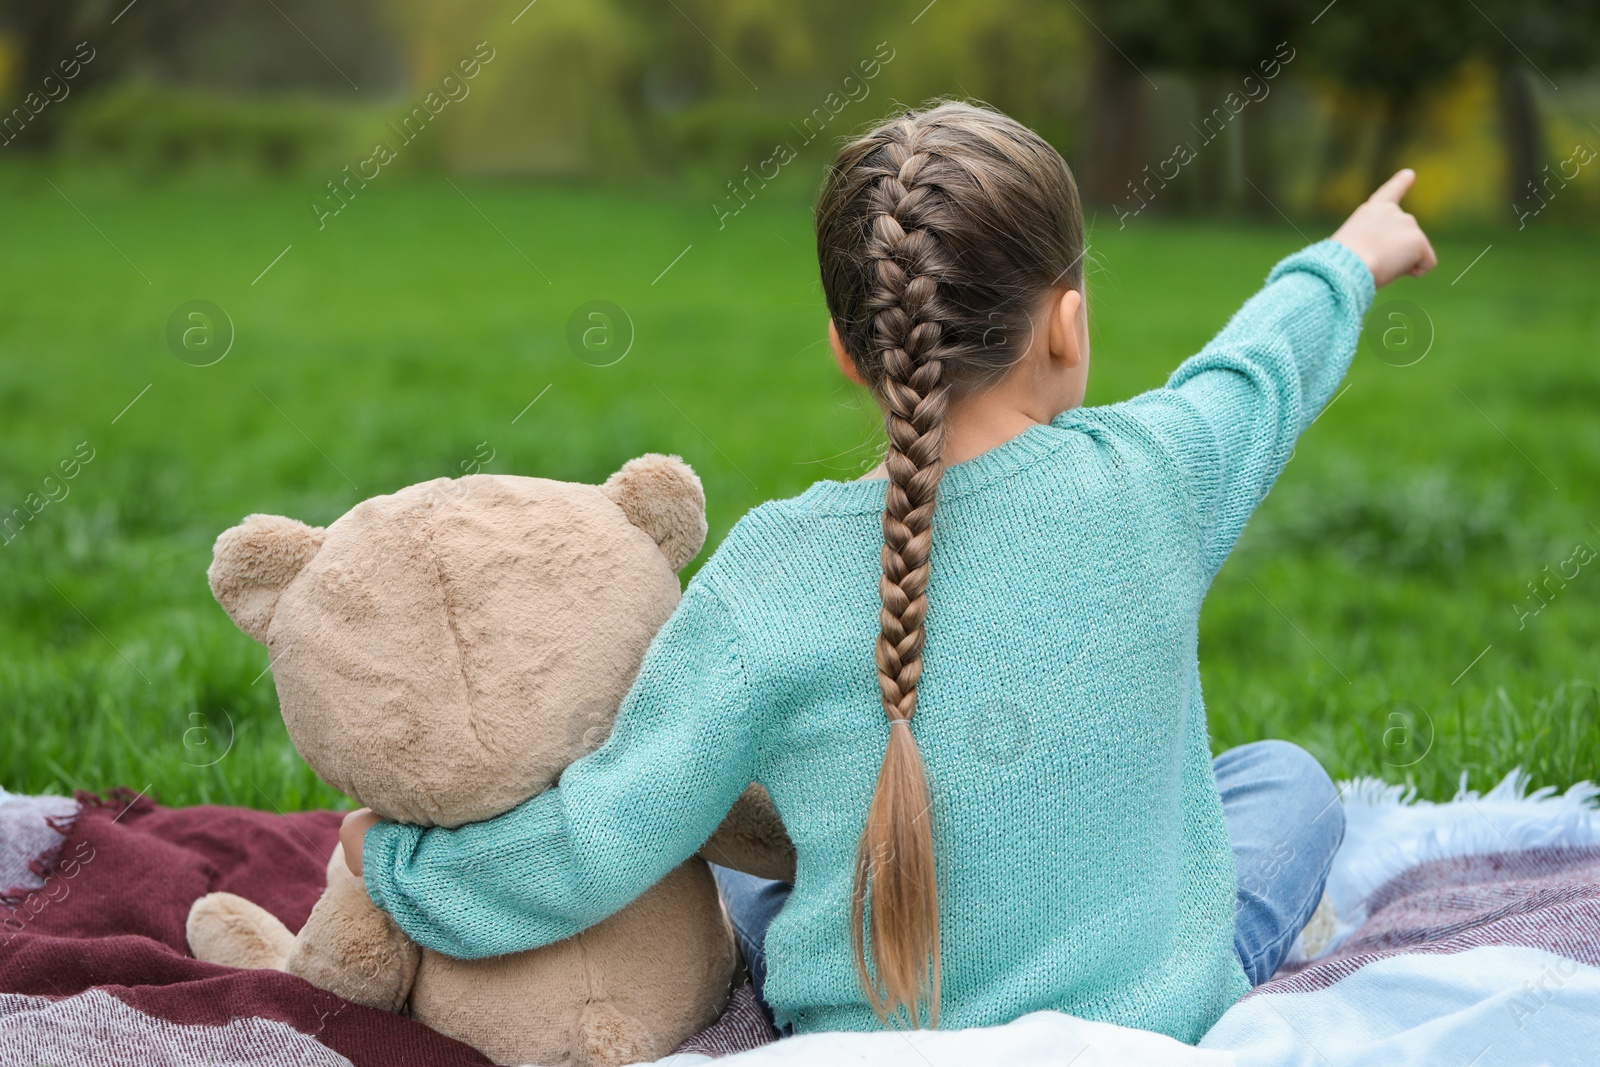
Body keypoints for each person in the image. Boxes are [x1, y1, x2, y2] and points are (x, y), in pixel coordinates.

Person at [341, 100, 1436, 1042]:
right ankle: (1197, 945)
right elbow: (1257, 368)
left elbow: (601, 834)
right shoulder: (1157, 473)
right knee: (1286, 782)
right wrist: (1350, 252)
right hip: (1150, 1014)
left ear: (843, 345)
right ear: (1068, 323)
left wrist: (403, 870)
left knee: (740, 870)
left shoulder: (769, 572)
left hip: (859, 1016)